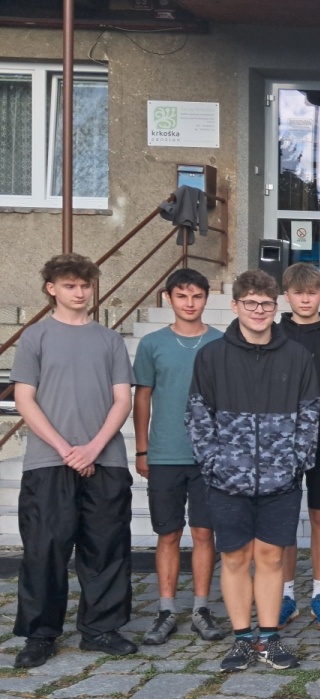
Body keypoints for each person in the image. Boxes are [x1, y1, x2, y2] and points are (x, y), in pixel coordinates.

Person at [188, 270, 320, 672]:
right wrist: (213, 463)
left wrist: (295, 461)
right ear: (235, 306)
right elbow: (198, 416)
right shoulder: (212, 356)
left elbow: (309, 414)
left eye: (265, 304)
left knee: (271, 557)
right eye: (250, 303)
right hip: (227, 479)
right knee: (233, 557)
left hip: (282, 479)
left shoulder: (297, 356)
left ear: (276, 307)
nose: (258, 310)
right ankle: (243, 639)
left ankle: (270, 637)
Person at [12, 254, 137, 668]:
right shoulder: (35, 337)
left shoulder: (109, 340)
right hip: (48, 461)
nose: (80, 292)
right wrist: (66, 449)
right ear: (52, 289)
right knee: (44, 548)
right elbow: (24, 399)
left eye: (85, 285)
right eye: (70, 285)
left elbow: (122, 400)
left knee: (106, 546)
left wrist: (93, 448)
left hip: (106, 459)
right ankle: (40, 633)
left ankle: (101, 629)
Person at [133, 267, 225, 646]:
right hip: (165, 454)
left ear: (206, 299)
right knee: (168, 532)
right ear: (168, 298)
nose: (190, 303)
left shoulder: (220, 342)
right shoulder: (152, 344)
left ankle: (201, 608)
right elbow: (142, 398)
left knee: (204, 532)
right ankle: (166, 609)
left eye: (197, 296)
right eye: (182, 296)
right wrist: (142, 449)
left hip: (208, 457)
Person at [277, 262, 320, 629]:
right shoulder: (274, 333)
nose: (305, 299)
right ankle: (286, 595)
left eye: (312, 293)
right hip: (283, 440)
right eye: (298, 293)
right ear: (286, 296)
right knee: (285, 518)